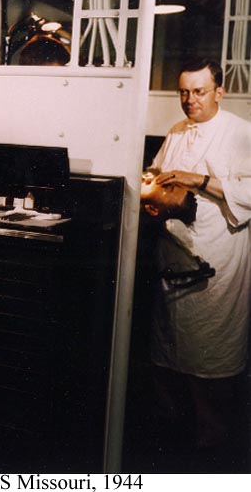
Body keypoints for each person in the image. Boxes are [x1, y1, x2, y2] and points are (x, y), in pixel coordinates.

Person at [145, 57, 251, 462]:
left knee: (211, 359)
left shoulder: (241, 133)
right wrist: (153, 189)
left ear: (219, 92)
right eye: (184, 92)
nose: (190, 100)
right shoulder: (176, 132)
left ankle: (212, 450)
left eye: (200, 92)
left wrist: (199, 180)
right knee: (169, 356)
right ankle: (171, 446)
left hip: (216, 264)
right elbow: (157, 172)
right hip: (174, 258)